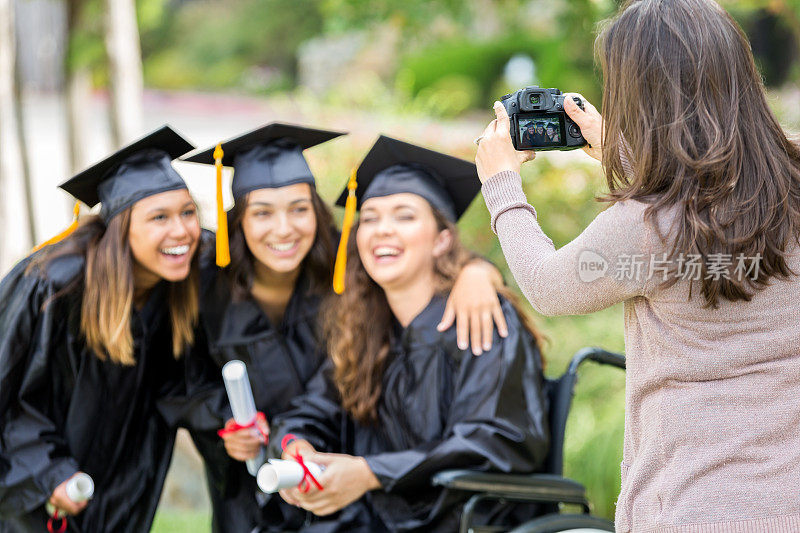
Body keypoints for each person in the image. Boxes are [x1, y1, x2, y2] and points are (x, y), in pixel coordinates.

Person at [474, 0, 800, 531]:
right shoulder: (791, 173)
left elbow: (550, 288)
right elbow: (713, 193)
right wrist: (627, 158)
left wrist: (502, 185)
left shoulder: (648, 224)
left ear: (640, 97)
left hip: (695, 503)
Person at [181, 124, 509, 533]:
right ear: (240, 220)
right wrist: (281, 437)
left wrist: (477, 270)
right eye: (262, 212)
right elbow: (182, 379)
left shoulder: (353, 274)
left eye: (299, 209)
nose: (283, 229)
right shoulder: (206, 280)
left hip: (383, 497)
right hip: (298, 483)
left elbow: (495, 438)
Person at [271, 135, 549, 532]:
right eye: (369, 218)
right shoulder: (366, 328)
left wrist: (371, 473)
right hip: (380, 516)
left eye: (404, 216)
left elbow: (493, 439)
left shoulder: (479, 316)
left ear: (442, 240)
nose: (382, 230)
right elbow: (313, 409)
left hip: (462, 517)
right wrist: (295, 445)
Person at [0, 126, 224, 532]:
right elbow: (6, 390)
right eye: (159, 217)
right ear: (121, 229)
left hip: (122, 488)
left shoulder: (182, 279)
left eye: (187, 212)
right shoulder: (53, 286)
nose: (182, 231)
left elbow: (179, 385)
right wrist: (47, 473)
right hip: (36, 495)